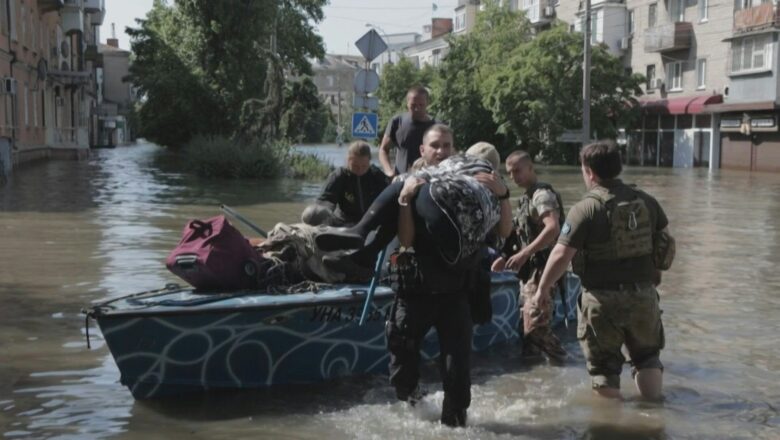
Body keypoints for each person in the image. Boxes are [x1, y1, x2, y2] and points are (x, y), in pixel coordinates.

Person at [531, 141, 671, 401]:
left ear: (590, 172)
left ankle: (611, 428)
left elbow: (561, 254)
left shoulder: (585, 209)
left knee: (604, 369)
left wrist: (542, 289)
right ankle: (653, 419)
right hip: (643, 295)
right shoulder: (647, 201)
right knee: (647, 358)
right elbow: (663, 244)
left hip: (601, 301)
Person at [491, 150, 568, 362]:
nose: (514, 177)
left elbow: (552, 228)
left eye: (518, 171)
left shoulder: (541, 195)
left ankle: (565, 363)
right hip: (531, 271)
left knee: (535, 328)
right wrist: (505, 256)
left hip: (544, 270)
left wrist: (525, 253)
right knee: (527, 335)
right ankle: (536, 382)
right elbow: (520, 233)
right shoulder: (526, 197)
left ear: (531, 168)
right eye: (510, 173)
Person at [301, 141, 389, 227]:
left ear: (369, 161)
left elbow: (389, 197)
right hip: (343, 222)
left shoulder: (376, 175)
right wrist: (320, 213)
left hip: (370, 222)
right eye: (355, 166)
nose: (360, 170)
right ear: (348, 161)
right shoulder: (339, 175)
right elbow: (325, 200)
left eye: (364, 166)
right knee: (311, 213)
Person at [379, 86, 437, 178]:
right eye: (413, 105)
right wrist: (389, 171)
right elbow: (383, 149)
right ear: (407, 104)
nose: (417, 109)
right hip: (401, 179)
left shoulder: (436, 127)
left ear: (427, 103)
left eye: (421, 105)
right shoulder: (397, 122)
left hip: (428, 180)